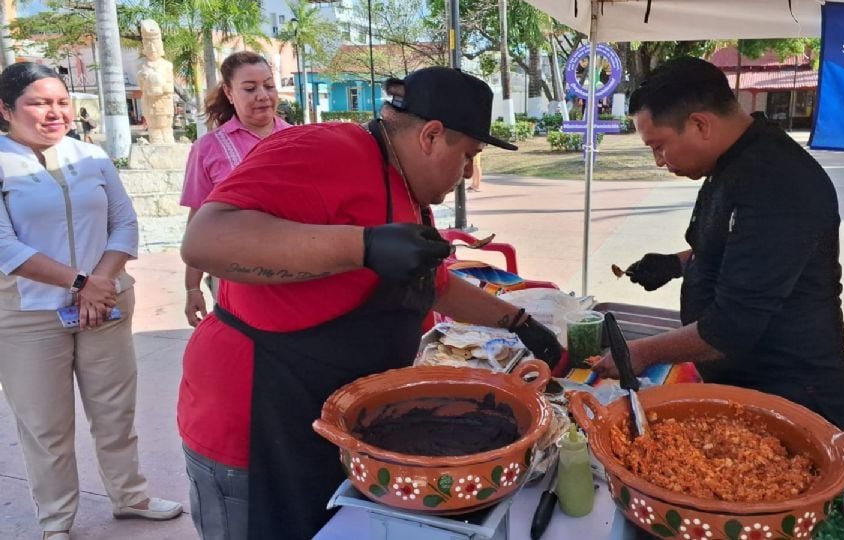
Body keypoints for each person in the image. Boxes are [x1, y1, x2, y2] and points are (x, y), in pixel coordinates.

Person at [177, 66, 564, 540]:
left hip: (333, 425)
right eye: (467, 156)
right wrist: (362, 246)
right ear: (431, 136)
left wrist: (519, 321)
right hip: (253, 423)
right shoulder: (325, 150)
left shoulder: (405, 189)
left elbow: (437, 284)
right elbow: (204, 240)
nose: (466, 174)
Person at [593, 57, 844, 430]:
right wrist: (676, 263)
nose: (659, 161)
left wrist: (639, 352)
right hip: (746, 382)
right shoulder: (731, 162)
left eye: (659, 146)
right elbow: (736, 249)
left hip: (796, 397)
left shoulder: (776, 184)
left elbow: (729, 330)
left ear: (700, 124)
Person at [0, 62, 182, 540]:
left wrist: (99, 282)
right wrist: (81, 282)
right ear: (5, 109)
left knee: (115, 411)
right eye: (38, 103)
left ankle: (131, 496)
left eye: (61, 101)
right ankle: (56, 519)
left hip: (106, 302)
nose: (54, 112)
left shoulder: (91, 156)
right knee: (46, 424)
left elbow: (124, 224)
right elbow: (5, 247)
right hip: (28, 314)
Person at [180, 51, 291, 327]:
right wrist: (192, 286)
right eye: (250, 88)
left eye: (269, 85)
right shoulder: (207, 149)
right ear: (229, 93)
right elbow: (199, 222)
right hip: (233, 274)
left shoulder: (300, 139)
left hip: (296, 266)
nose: (263, 95)